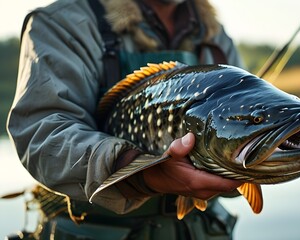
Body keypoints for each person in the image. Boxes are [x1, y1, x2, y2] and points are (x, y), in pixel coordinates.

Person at [7, 0, 244, 239]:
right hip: (97, 229)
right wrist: (138, 173)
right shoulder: (62, 21)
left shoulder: (214, 32)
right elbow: (43, 134)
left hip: (202, 229)